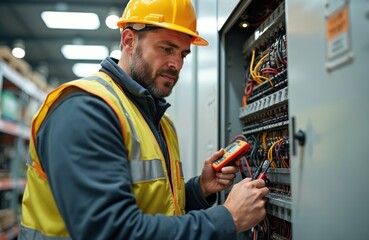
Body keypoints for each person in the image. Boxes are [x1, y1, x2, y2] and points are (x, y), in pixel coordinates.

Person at [19, 0, 269, 239]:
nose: (176, 64)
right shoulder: (85, 110)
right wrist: (228, 218)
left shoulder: (159, 121)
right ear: (129, 40)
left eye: (183, 54)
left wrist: (199, 189)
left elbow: (156, 208)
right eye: (167, 48)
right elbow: (109, 231)